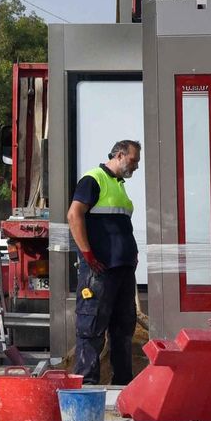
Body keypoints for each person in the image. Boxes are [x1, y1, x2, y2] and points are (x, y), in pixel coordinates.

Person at [67, 140, 142, 385]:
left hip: (121, 269)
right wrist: (87, 254)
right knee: (91, 328)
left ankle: (122, 384)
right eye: (134, 160)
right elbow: (74, 214)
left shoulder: (118, 185)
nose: (137, 166)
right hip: (100, 270)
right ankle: (86, 385)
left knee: (123, 330)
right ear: (119, 155)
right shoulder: (94, 179)